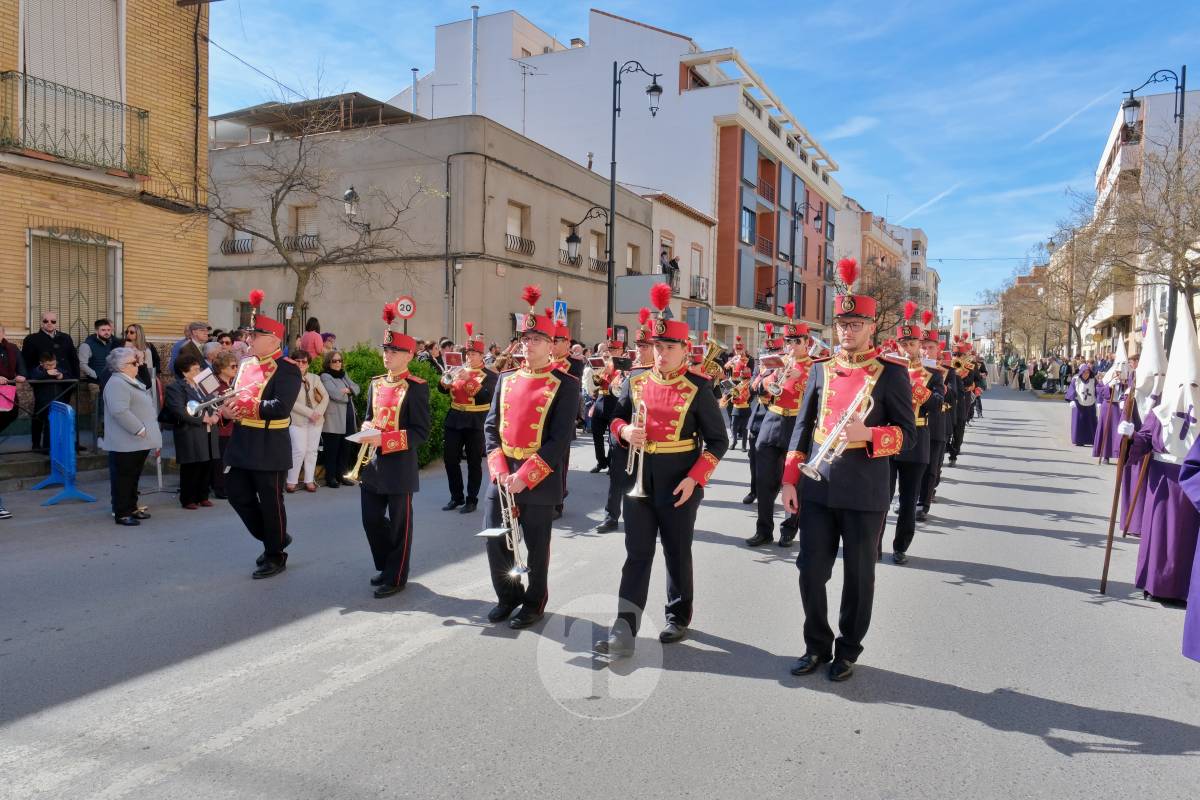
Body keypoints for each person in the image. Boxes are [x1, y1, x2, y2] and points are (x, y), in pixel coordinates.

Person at [780, 258, 915, 682]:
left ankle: (848, 648)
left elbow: (907, 437)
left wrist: (869, 435)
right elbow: (802, 428)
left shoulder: (892, 375)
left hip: (864, 490)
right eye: (842, 323)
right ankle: (815, 644)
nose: (848, 331)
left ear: (872, 326)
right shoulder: (820, 370)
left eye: (856, 323)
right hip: (817, 487)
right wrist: (789, 480)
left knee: (859, 577)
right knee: (810, 570)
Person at [593, 283, 728, 657]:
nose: (662, 354)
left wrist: (695, 478)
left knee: (676, 551)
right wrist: (624, 430)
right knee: (636, 555)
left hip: (679, 479)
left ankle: (677, 615)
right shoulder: (636, 380)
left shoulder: (699, 387)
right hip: (639, 477)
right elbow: (614, 419)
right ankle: (623, 631)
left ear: (685, 350)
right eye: (658, 347)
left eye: (670, 347)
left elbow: (719, 441)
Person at [482, 285, 581, 629]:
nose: (529, 344)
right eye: (525, 338)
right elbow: (491, 426)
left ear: (551, 344)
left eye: (537, 338)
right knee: (497, 538)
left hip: (537, 474)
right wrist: (498, 469)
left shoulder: (564, 384)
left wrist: (527, 474)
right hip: (503, 472)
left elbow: (559, 439)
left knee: (537, 546)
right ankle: (507, 596)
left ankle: (534, 602)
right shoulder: (506, 378)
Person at [219, 291, 302, 580]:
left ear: (274, 340)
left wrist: (243, 406)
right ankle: (275, 537)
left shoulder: (288, 370)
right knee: (235, 492)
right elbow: (237, 397)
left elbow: (280, 408)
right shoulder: (245, 365)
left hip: (269, 444)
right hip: (242, 442)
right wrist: (226, 410)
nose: (249, 340)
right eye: (250, 335)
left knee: (271, 501)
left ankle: (275, 553)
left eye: (256, 336)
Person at [354, 305, 431, 597]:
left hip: (399, 466)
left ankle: (397, 575)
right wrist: (365, 425)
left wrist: (386, 441)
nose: (387, 355)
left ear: (409, 355)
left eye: (394, 351)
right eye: (385, 350)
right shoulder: (375, 383)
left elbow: (420, 432)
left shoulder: (417, 388)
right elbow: (368, 415)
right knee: (370, 520)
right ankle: (387, 565)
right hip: (372, 465)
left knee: (400, 525)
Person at [1127, 312, 1200, 603]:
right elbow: (1146, 437)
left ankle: (1185, 589)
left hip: (1192, 487)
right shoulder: (1163, 407)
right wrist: (1129, 440)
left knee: (1186, 540)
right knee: (1161, 536)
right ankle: (1156, 584)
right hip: (1163, 481)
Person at [748, 302, 816, 548]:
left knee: (794, 481)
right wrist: (767, 382)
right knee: (765, 481)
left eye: (797, 341)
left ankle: (790, 527)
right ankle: (763, 529)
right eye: (789, 342)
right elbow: (755, 388)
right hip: (772, 421)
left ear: (806, 342)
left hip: (797, 424)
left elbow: (821, 395)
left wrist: (803, 377)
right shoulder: (777, 362)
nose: (792, 346)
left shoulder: (815, 366)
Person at [884, 307, 944, 563]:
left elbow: (940, 404)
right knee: (881, 496)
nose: (907, 347)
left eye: (912, 343)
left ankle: (901, 547)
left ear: (920, 345)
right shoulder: (886, 370)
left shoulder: (933, 374)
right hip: (888, 436)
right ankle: (873, 543)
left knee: (908, 501)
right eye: (903, 343)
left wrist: (920, 391)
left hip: (918, 438)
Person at [597, 309, 655, 533]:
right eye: (639, 346)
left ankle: (645, 518)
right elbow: (619, 408)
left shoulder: (663, 374)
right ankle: (611, 516)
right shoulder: (632, 372)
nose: (640, 350)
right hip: (627, 435)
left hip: (652, 437)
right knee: (616, 476)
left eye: (645, 346)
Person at [437, 323, 497, 514]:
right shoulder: (458, 370)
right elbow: (442, 390)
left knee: (473, 461)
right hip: (455, 417)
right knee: (450, 458)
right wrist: (445, 379)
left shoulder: (490, 375)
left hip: (476, 420)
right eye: (468, 354)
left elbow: (486, 397)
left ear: (481, 356)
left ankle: (472, 499)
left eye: (473, 354)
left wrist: (468, 380)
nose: (469, 357)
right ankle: (456, 496)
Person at [100, 347, 162, 526]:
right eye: (134, 363)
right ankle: (122, 512)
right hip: (127, 440)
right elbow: (119, 411)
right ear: (122, 366)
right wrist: (139, 429)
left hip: (137, 441)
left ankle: (132, 507)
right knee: (124, 477)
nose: (138, 365)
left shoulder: (129, 380)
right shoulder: (117, 382)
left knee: (133, 476)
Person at [165, 352, 221, 509]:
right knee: (192, 465)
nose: (199, 372)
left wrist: (216, 414)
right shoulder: (175, 387)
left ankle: (203, 496)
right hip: (190, 430)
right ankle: (188, 498)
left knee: (207, 463)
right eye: (195, 370)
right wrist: (202, 419)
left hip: (210, 428)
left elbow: (216, 400)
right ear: (184, 372)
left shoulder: (204, 384)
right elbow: (179, 410)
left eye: (199, 369)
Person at [918, 330, 954, 519]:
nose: (925, 351)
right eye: (923, 347)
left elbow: (956, 395)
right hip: (916, 423)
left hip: (937, 423)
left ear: (938, 349)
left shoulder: (947, 370)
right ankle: (911, 500)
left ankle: (923, 505)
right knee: (914, 466)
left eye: (930, 347)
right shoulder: (912, 368)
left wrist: (945, 390)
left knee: (931, 467)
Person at [285, 350, 328, 492]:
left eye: (304, 361)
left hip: (316, 420)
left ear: (308, 364)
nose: (301, 364)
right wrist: (310, 413)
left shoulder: (315, 378)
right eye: (297, 361)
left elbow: (325, 397)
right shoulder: (288, 379)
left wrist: (318, 413)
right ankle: (291, 481)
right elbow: (290, 401)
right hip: (297, 420)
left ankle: (309, 480)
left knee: (312, 451)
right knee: (298, 450)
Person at [319, 349, 359, 488]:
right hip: (334, 419)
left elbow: (357, 388)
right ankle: (330, 478)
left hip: (348, 417)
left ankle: (341, 476)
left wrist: (348, 391)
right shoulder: (325, 376)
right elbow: (335, 394)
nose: (338, 363)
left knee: (345, 449)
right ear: (328, 362)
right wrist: (349, 391)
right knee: (332, 450)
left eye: (340, 360)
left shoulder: (343, 375)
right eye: (334, 361)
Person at [209, 350, 239, 499]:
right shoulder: (213, 383)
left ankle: (229, 485)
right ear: (222, 369)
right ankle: (220, 488)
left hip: (234, 427)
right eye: (233, 366)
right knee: (221, 460)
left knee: (231, 459)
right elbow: (211, 405)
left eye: (236, 366)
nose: (236, 369)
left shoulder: (233, 383)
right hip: (220, 428)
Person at [30, 352, 69, 451]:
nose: (52, 367)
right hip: (41, 402)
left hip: (57, 402)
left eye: (53, 364)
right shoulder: (37, 371)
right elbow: (33, 378)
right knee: (37, 423)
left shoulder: (59, 369)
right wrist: (46, 373)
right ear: (41, 363)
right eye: (48, 365)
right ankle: (36, 445)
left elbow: (69, 376)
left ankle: (47, 447)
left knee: (51, 424)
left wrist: (62, 376)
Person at [0, 323, 28, 437]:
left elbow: (21, 365)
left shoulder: (12, 348)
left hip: (8, 390)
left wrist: (22, 375)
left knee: (12, 413)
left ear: (3, 333)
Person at [1064, 363, 1098, 446]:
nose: (1086, 374)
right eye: (1084, 372)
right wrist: (1071, 400)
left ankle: (1092, 440)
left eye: (1088, 373)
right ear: (1081, 372)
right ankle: (1079, 440)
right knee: (1079, 422)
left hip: (1090, 403)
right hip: (1078, 404)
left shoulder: (1093, 380)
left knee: (1090, 422)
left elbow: (1098, 390)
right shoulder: (1075, 379)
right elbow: (1072, 389)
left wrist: (1100, 400)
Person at [78, 319, 118, 386]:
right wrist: (96, 376)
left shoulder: (113, 343)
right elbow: (82, 365)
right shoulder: (86, 345)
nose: (107, 332)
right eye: (103, 330)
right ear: (96, 331)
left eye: (108, 330)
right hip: (95, 383)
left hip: (112, 382)